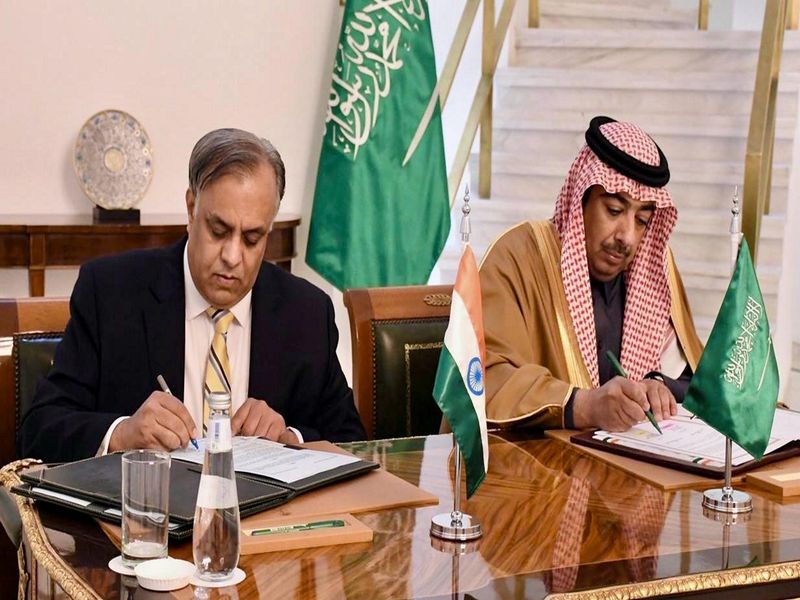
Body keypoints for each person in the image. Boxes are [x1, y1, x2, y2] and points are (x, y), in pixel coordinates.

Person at [20, 128, 366, 462]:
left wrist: (289, 439)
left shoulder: (306, 312)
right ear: (191, 209)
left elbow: (353, 440)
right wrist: (123, 434)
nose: (232, 256)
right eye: (218, 231)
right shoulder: (111, 292)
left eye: (252, 239)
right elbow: (39, 429)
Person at [480, 116, 703, 432]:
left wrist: (655, 386)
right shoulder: (518, 257)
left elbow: (695, 381)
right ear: (580, 199)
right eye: (614, 210)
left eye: (641, 221)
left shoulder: (652, 270)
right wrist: (584, 406)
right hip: (540, 460)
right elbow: (483, 380)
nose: (627, 236)